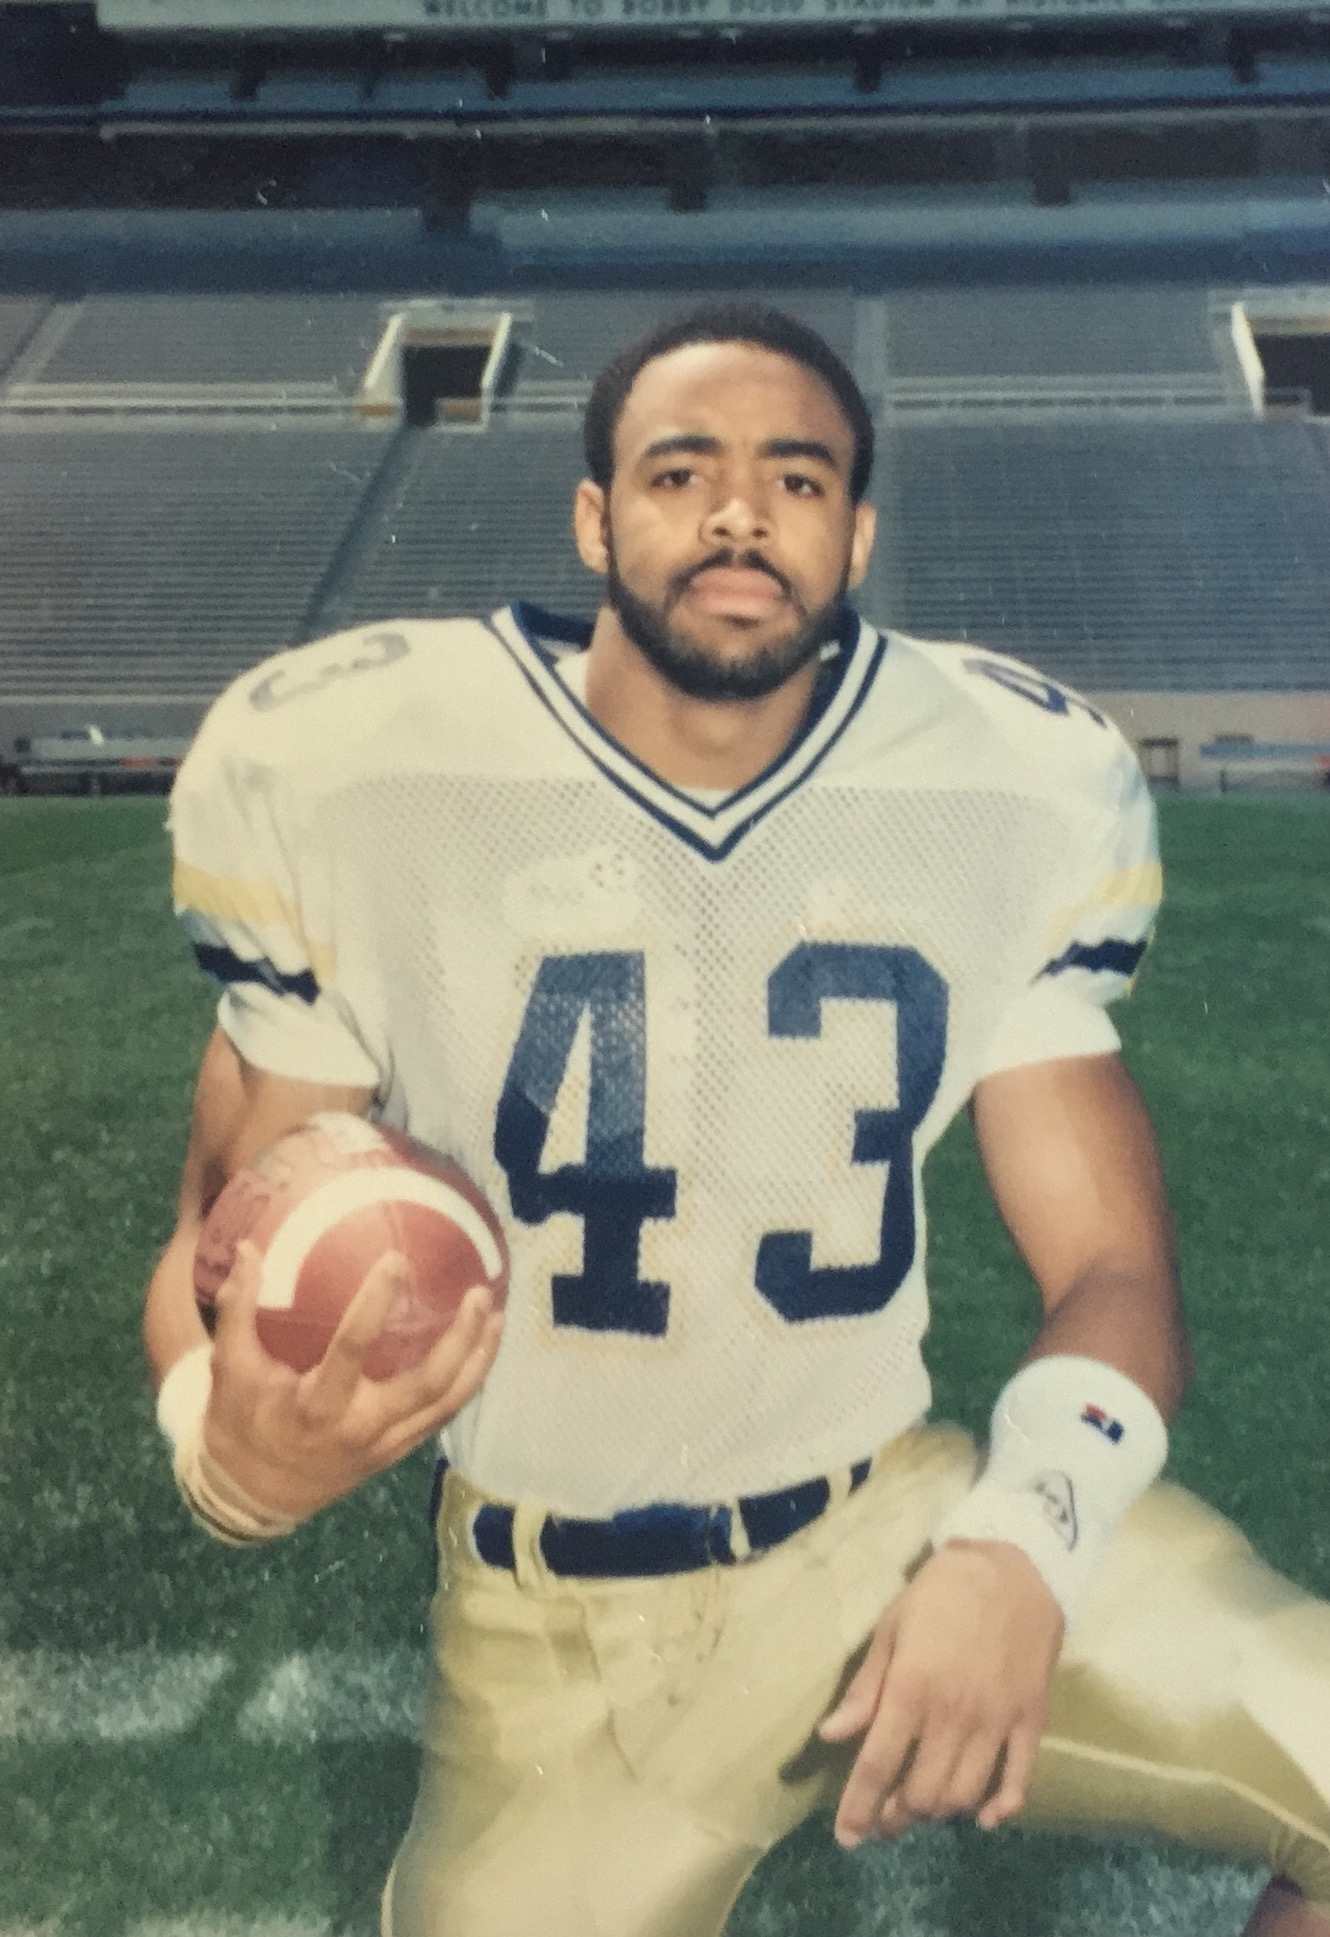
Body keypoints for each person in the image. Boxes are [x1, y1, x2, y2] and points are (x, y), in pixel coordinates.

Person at [146, 302, 1330, 1937]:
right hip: (557, 1635)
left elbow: (1115, 1268)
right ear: (593, 515)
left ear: (854, 533)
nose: (734, 513)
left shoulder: (1002, 779)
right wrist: (224, 1443)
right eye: (678, 469)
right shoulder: (356, 765)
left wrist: (1024, 1548)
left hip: (898, 1521)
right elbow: (215, 1246)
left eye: (793, 477)